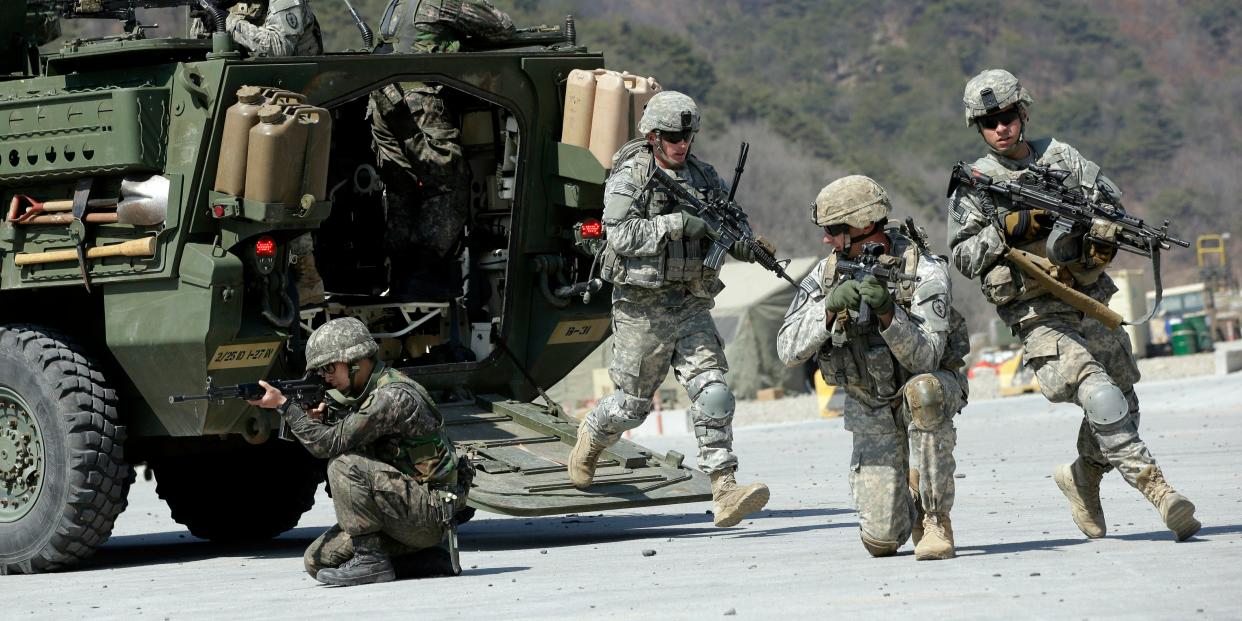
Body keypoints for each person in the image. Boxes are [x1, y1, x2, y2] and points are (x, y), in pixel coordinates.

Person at [946, 69, 1200, 541]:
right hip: (1037, 313)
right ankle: (1160, 492)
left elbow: (1112, 209)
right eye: (988, 122)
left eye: (1006, 116)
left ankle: (1083, 476)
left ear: (1022, 112)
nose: (1000, 128)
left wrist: (1103, 231)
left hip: (1088, 298)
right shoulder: (977, 182)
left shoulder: (1063, 158)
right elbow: (961, 255)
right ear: (977, 128)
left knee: (1122, 401)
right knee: (1098, 391)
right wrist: (1011, 227)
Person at [568, 91, 771, 528]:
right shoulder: (632, 177)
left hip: (691, 302)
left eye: (688, 136)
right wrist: (677, 224)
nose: (682, 144)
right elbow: (619, 235)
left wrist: (746, 244)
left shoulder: (704, 176)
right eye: (673, 137)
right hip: (642, 309)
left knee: (713, 388)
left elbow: (731, 223)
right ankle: (592, 435)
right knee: (631, 407)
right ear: (653, 136)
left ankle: (724, 487)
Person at [776, 176, 969, 560]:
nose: (826, 240)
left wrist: (888, 313)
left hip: (923, 387)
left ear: (863, 226)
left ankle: (934, 519)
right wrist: (827, 309)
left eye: (833, 230)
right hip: (870, 404)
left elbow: (927, 357)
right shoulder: (826, 273)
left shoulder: (924, 271)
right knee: (881, 542)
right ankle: (907, 495)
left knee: (924, 392)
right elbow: (787, 348)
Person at [248, 317, 470, 586]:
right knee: (317, 560)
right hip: (404, 511)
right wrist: (320, 419)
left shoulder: (392, 397)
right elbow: (348, 435)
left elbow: (328, 445)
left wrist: (285, 406)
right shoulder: (367, 394)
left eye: (329, 367)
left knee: (343, 464)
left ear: (356, 361)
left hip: (430, 514)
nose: (326, 377)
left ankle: (371, 562)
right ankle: (428, 559)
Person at [368, 0, 515, 298]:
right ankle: (423, 277)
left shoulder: (399, 3)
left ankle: (397, 278)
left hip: (381, 100)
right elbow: (502, 27)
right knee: (450, 186)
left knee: (402, 192)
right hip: (417, 99)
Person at [192, 0, 323, 57]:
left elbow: (279, 47)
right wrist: (206, 13)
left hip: (292, 85)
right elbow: (199, 43)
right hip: (242, 79)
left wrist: (226, 20)